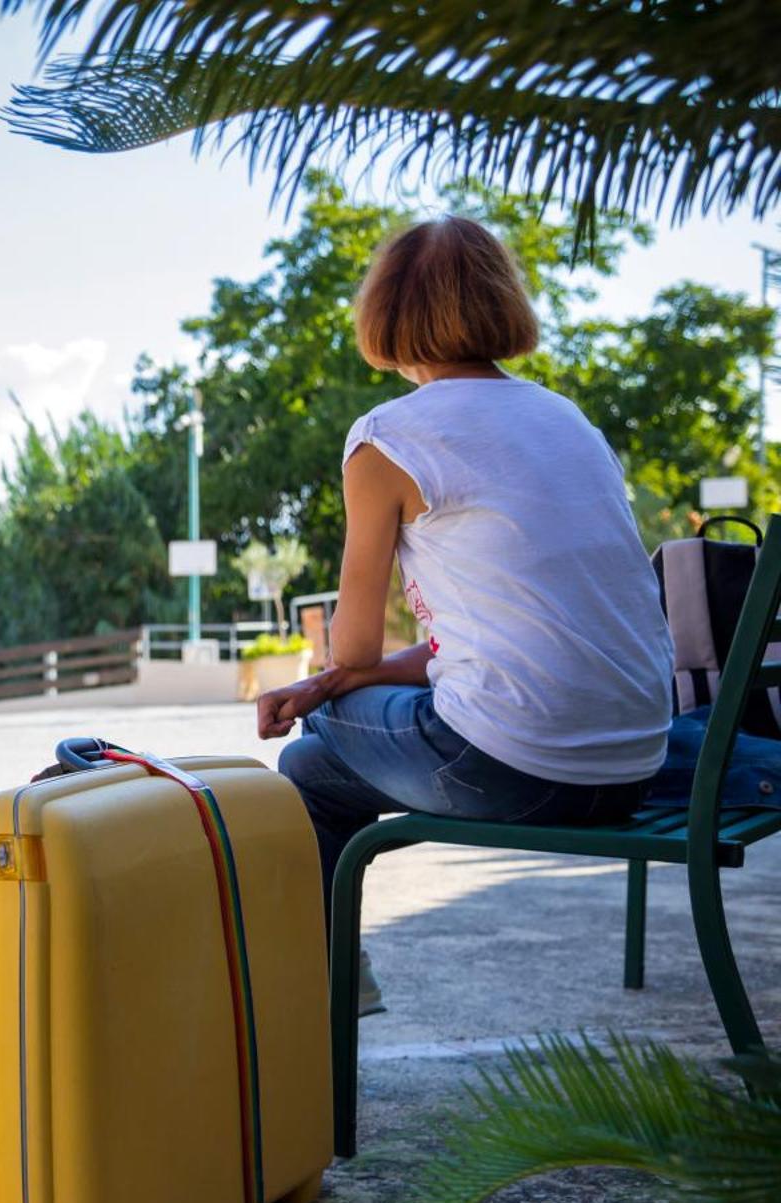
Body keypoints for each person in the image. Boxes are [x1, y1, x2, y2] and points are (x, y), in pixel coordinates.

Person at [258, 216, 673, 1015]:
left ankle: (334, 981)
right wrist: (339, 681)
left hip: (516, 770)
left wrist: (330, 681)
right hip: (631, 769)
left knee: (310, 762)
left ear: (384, 315)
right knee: (323, 739)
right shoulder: (568, 420)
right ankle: (337, 975)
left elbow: (352, 643)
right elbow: (483, 644)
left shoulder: (388, 438)